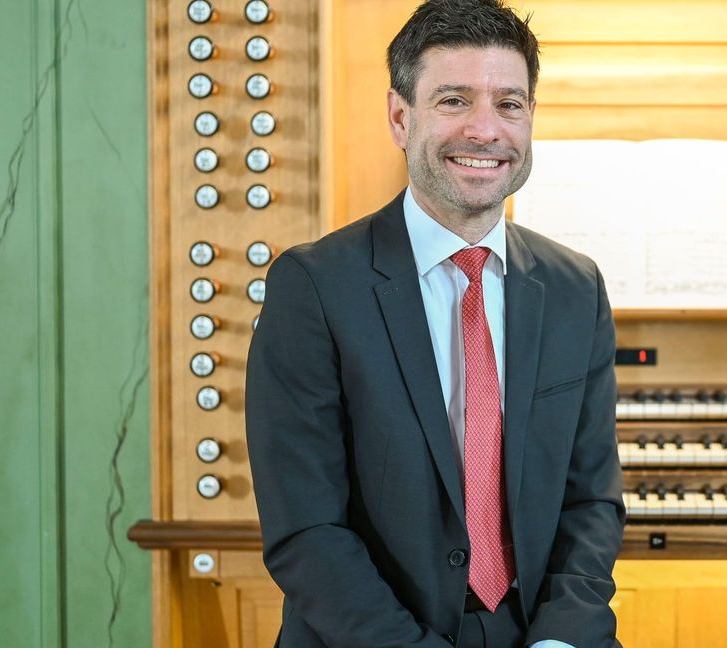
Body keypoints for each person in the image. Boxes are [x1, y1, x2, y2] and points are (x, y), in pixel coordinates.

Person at [245, 1, 626, 646]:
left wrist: (559, 636)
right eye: (454, 100)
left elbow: (591, 501)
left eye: (509, 104)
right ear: (401, 117)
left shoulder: (575, 286)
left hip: (538, 629)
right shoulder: (312, 286)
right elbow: (307, 530)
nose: (486, 130)